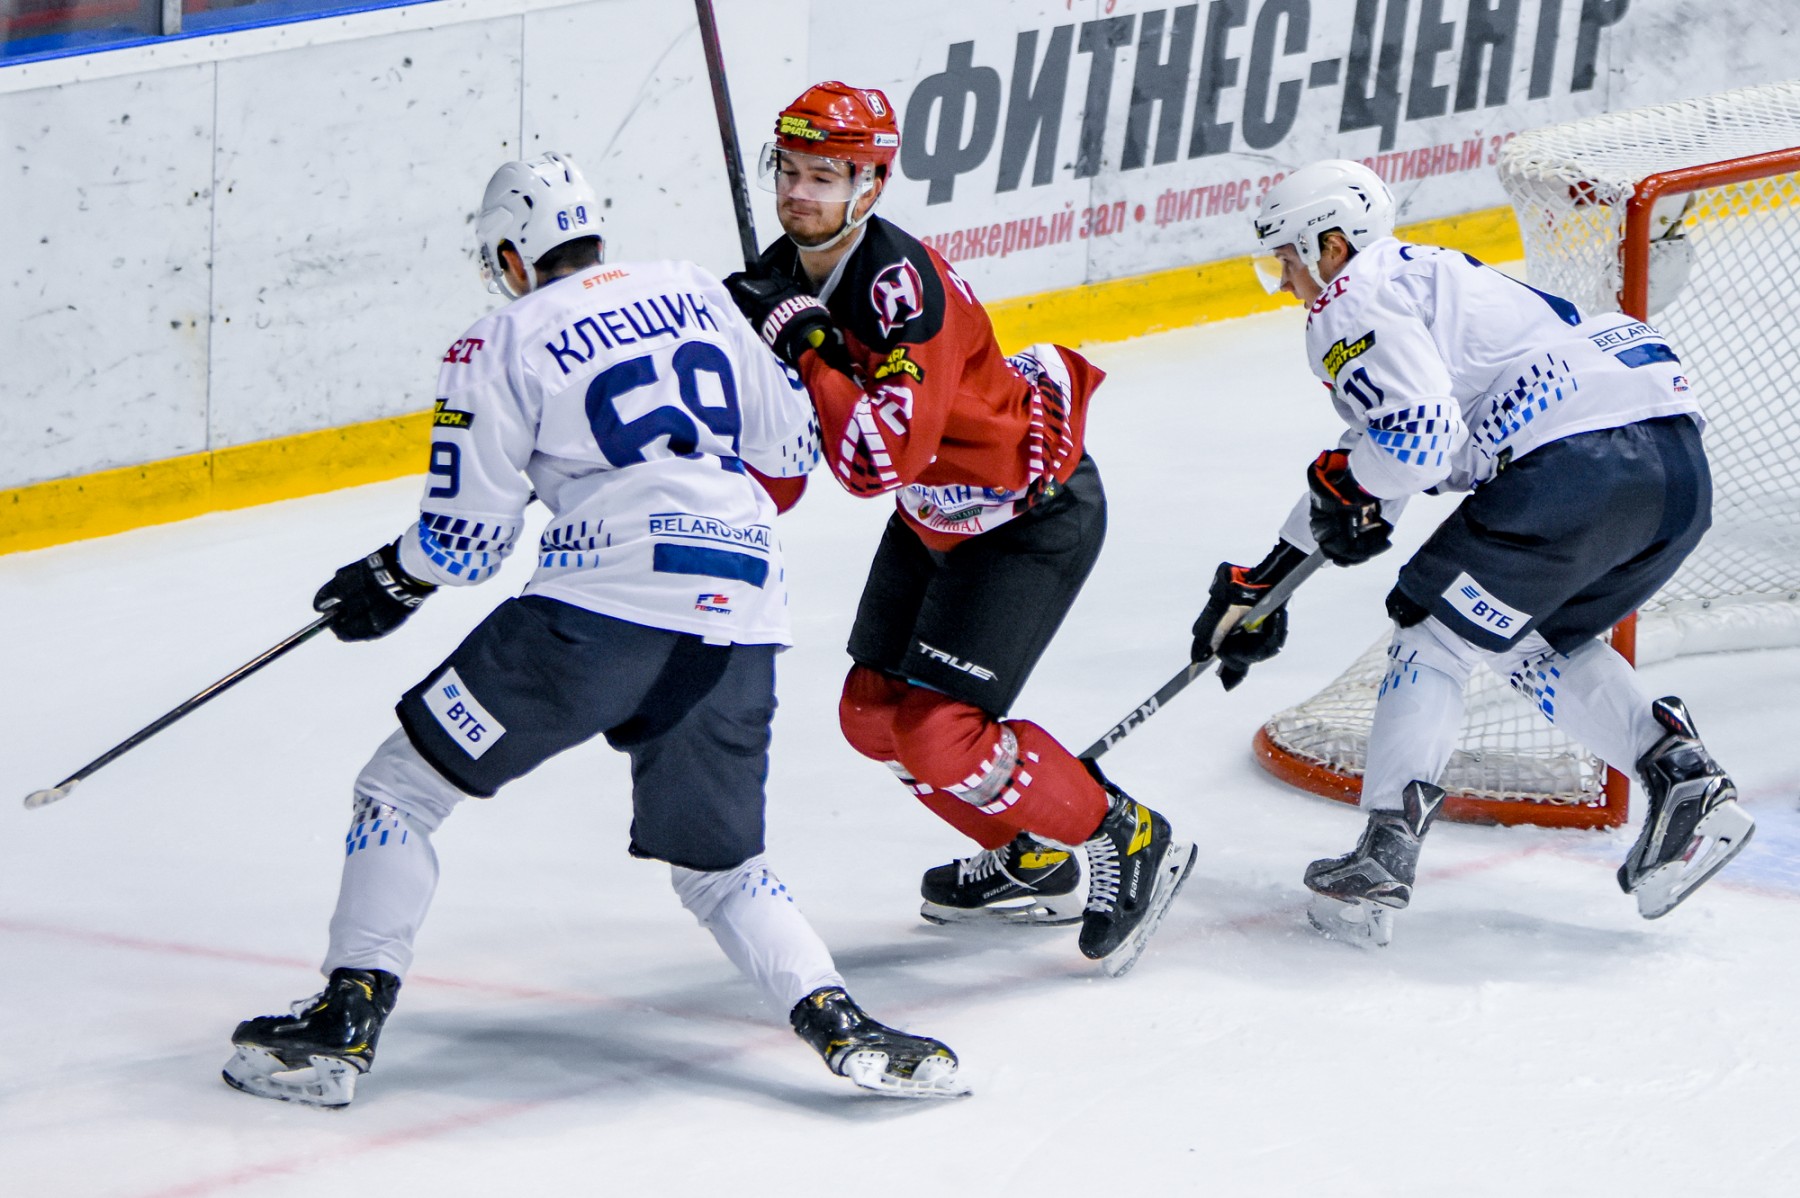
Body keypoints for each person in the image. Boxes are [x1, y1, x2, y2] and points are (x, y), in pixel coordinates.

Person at [221, 151, 967, 1106]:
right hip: (742, 606)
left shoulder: (499, 338)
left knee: (398, 789)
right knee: (721, 869)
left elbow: (465, 540)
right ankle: (842, 1024)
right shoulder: (696, 291)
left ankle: (343, 1020)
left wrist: (390, 577)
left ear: (512, 255)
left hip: (598, 613)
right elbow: (791, 448)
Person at [1193, 158, 1755, 947]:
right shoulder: (1427, 281)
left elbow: (1413, 445)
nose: (1285, 283)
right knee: (1529, 636)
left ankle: (1383, 855)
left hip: (1579, 465)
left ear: (1330, 245)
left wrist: (1349, 485)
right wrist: (1269, 579)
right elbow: (1384, 447)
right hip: (1674, 474)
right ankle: (1681, 774)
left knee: (1430, 633)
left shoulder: (1351, 298)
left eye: (1286, 259)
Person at [721, 82, 1195, 977]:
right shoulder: (786, 273)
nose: (797, 192)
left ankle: (1125, 834)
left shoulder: (905, 292)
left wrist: (808, 348)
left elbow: (874, 461)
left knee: (941, 734)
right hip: (935, 517)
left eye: (824, 175)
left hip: (1026, 520)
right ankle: (1032, 856)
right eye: (789, 169)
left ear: (871, 185)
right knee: (870, 714)